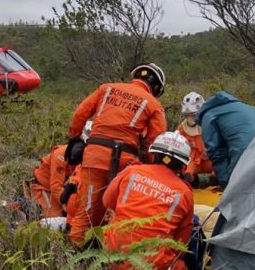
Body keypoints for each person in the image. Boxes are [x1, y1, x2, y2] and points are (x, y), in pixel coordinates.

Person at [66, 63, 168, 245]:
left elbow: (79, 114)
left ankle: (74, 255)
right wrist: (151, 164)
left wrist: (74, 138)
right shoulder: (153, 104)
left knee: (86, 211)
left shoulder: (106, 89)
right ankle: (110, 257)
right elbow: (156, 141)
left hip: (94, 158)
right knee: (118, 213)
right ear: (156, 87)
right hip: (125, 165)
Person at [102, 131, 194, 270]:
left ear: (153, 154)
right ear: (183, 166)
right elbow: (181, 245)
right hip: (153, 263)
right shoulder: (185, 193)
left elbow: (107, 201)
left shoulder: (131, 172)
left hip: (113, 254)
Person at [196, 91, 255, 189]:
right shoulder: (245, 108)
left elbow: (216, 153)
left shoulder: (208, 116)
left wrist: (225, 184)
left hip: (245, 150)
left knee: (239, 190)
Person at [31, 121, 92, 219]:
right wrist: (67, 206)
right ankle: (23, 205)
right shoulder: (61, 155)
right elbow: (55, 186)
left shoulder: (87, 157)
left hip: (65, 188)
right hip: (45, 188)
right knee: (55, 221)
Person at [177, 91, 215, 188]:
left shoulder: (211, 125)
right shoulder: (182, 129)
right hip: (193, 161)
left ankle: (212, 181)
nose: (190, 119)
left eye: (193, 115)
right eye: (187, 115)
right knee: (186, 174)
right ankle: (193, 184)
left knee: (221, 169)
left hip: (210, 160)